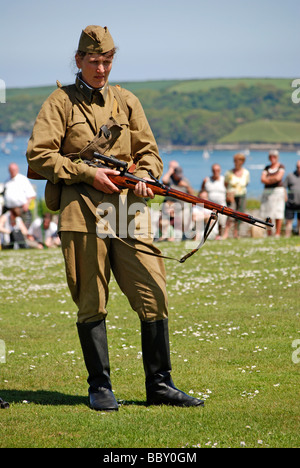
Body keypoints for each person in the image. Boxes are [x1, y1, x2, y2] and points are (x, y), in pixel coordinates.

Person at [26, 25, 203, 411]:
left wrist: (142, 176)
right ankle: (100, 387)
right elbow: (39, 156)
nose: (101, 68)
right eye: (94, 60)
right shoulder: (59, 102)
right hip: (80, 212)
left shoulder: (126, 101)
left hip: (127, 211)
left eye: (107, 61)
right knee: (92, 300)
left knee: (154, 294)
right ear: (78, 61)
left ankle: (160, 385)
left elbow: (150, 153)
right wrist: (89, 174)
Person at [223, 153, 250, 239]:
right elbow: (225, 184)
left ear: (242, 162)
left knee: (240, 214)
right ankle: (226, 233)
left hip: (242, 195)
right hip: (231, 196)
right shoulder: (229, 173)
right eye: (235, 161)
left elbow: (246, 183)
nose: (236, 162)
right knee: (230, 213)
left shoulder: (246, 172)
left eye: (238, 160)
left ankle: (236, 233)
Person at [260, 150, 285, 237]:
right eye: (271, 156)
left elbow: (279, 178)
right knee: (267, 213)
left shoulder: (281, 166)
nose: (272, 158)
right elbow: (262, 179)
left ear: (277, 157)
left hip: (277, 192)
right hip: (268, 193)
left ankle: (277, 233)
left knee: (278, 212)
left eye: (274, 156)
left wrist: (268, 179)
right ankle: (269, 233)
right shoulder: (267, 168)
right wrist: (272, 179)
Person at [3, 163, 36, 227]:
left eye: (14, 170)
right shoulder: (7, 181)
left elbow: (32, 194)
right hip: (10, 209)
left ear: (17, 170)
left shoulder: (23, 179)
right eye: (11, 170)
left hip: (21, 209)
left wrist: (27, 204)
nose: (13, 171)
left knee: (23, 228)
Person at [201, 163, 227, 239]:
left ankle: (221, 236)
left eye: (217, 170)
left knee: (222, 222)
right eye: (214, 170)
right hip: (210, 205)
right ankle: (211, 235)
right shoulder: (207, 180)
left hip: (222, 205)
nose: (216, 172)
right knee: (211, 220)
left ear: (220, 170)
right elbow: (202, 191)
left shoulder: (224, 180)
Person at [283, 160, 300, 237]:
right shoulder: (290, 175)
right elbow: (284, 187)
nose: (298, 168)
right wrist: (285, 196)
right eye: (297, 167)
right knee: (288, 221)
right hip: (291, 202)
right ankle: (287, 236)